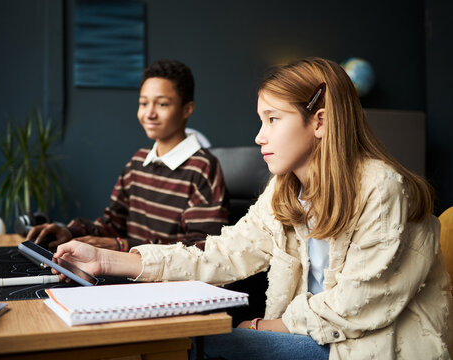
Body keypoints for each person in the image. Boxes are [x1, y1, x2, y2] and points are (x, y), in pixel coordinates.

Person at [50, 58, 452, 360]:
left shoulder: (381, 188)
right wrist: (106, 260)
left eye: (273, 119)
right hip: (309, 336)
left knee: (202, 345)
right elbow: (223, 254)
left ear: (320, 122)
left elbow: (357, 305)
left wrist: (269, 325)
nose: (259, 136)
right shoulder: (285, 189)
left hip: (366, 348)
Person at [27, 59, 229, 251]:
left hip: (172, 284)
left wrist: (124, 247)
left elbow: (202, 248)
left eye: (162, 104)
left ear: (187, 109)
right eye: (143, 103)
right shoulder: (137, 163)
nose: (149, 113)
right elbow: (112, 225)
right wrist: (69, 231)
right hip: (127, 275)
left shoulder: (203, 167)